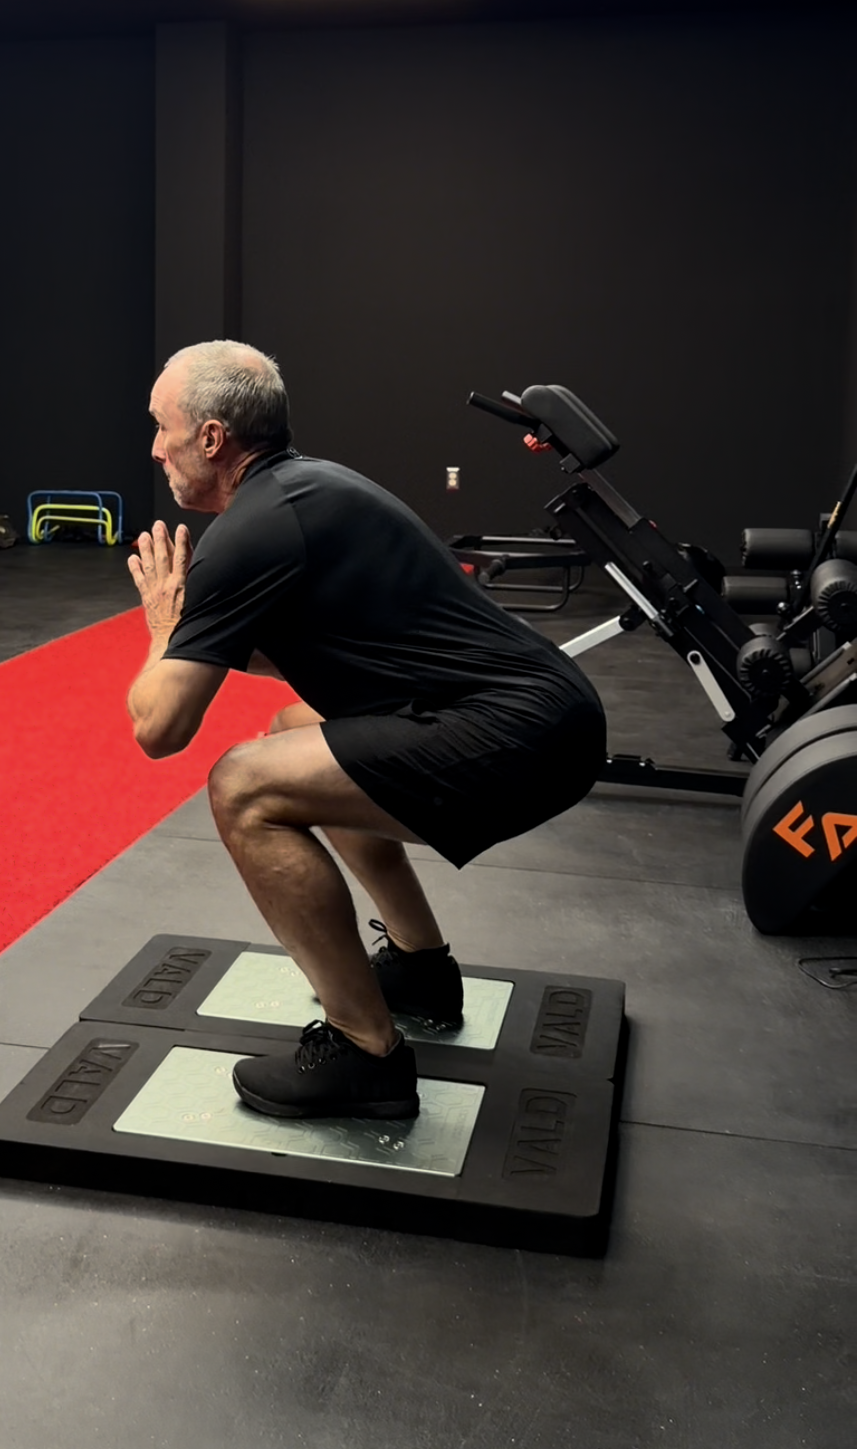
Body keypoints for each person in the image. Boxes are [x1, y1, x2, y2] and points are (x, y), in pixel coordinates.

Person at [126, 341, 606, 1123]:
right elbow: (293, 648)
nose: (155, 448)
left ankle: (364, 1054)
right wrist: (193, 633)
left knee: (242, 786)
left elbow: (159, 727)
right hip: (550, 712)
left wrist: (163, 629)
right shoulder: (310, 490)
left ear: (211, 438)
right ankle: (420, 969)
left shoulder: (251, 530)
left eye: (162, 427)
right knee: (294, 729)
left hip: (521, 735)